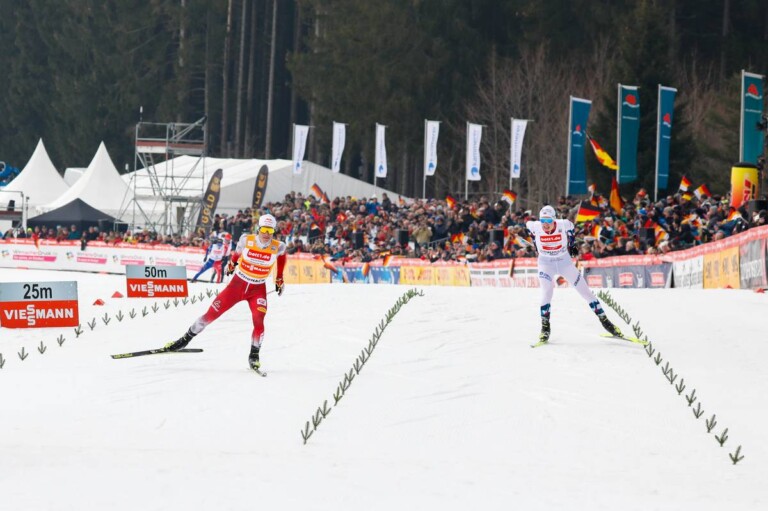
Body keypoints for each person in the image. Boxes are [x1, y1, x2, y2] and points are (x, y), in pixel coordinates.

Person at [165, 214, 287, 371]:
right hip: (237, 286)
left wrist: (279, 279)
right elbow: (237, 253)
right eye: (263, 229)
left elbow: (282, 260)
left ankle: (254, 355)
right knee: (210, 315)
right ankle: (183, 340)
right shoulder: (246, 240)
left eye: (270, 230)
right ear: (258, 229)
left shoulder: (279, 246)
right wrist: (232, 263)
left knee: (258, 320)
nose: (266, 234)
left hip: (257, 290)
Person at [526, 205, 621, 344]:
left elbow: (572, 236)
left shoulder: (564, 224)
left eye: (548, 221)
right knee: (547, 292)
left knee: (586, 292)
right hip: (546, 264)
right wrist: (534, 242)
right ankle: (545, 329)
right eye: (543, 221)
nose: (545, 224)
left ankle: (606, 322)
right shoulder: (534, 226)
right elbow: (527, 224)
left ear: (554, 219)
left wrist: (573, 248)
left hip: (565, 263)